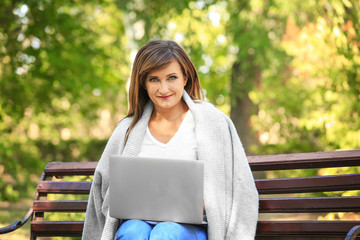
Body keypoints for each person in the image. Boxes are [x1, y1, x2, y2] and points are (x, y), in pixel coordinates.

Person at [82, 40, 259, 240]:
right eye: (154, 79)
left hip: (191, 228)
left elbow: (239, 187)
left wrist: (203, 202)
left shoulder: (213, 122)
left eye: (171, 77)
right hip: (135, 224)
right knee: (133, 232)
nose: (163, 88)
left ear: (185, 77)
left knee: (165, 233)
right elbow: (104, 191)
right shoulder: (126, 130)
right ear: (143, 83)